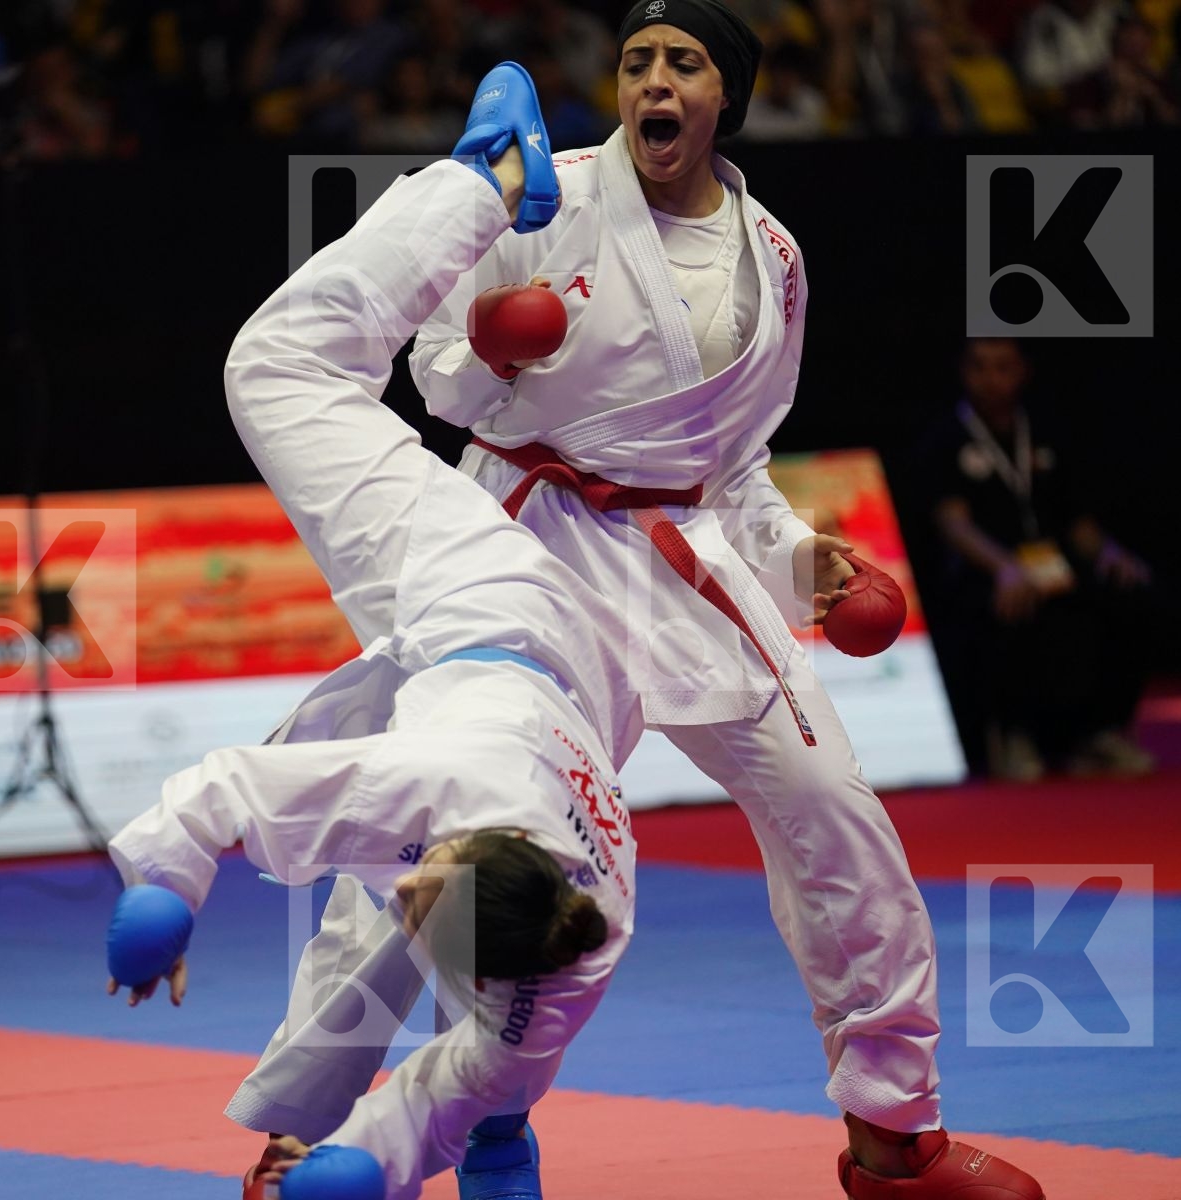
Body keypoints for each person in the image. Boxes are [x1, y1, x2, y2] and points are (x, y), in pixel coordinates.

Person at [408, 9, 1044, 1197]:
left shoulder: (774, 254)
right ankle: (431, 1121)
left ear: (723, 98)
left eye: (681, 64)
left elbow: (734, 465)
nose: (652, 82)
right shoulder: (536, 198)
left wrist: (809, 563)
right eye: (637, 61)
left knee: (832, 802)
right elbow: (436, 378)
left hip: (682, 552)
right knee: (496, 841)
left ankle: (891, 1132)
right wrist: (490, 347)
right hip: (531, 547)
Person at [105, 84, 646, 1200]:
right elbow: (229, 790)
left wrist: (369, 1160)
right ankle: (490, 177)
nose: (412, 903)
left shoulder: (569, 949)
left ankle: (483, 1140)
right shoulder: (432, 788)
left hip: (578, 696)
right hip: (487, 605)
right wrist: (164, 888)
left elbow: (465, 1061)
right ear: (456, 841)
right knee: (279, 368)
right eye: (429, 888)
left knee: (462, 1046)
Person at [924, 337, 1156, 780]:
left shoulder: (1049, 431)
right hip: (985, 571)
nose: (991, 379)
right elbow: (955, 525)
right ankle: (1013, 734)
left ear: (1023, 371)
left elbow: (1079, 524)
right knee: (1005, 604)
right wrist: (1005, 568)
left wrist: (1111, 554)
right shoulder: (946, 439)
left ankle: (1098, 732)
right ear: (964, 371)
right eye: (980, 367)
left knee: (1130, 594)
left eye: (1002, 367)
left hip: (1051, 566)